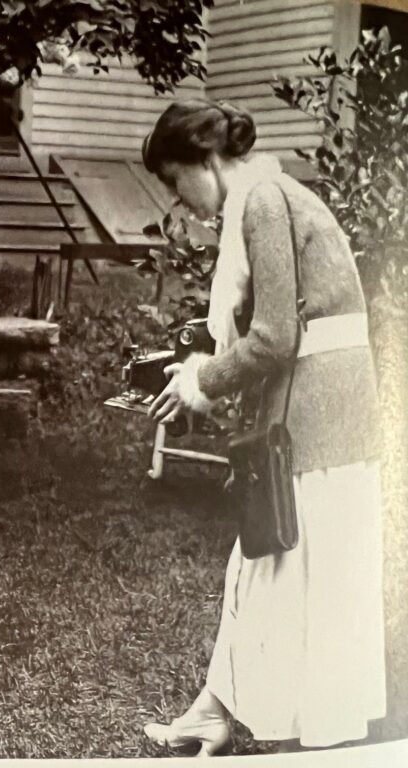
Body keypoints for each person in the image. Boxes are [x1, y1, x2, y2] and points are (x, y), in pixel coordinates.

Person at [140, 100, 386, 754]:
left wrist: (201, 378)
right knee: (259, 559)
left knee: (287, 562)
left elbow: (275, 339)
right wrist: (201, 368)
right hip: (320, 395)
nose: (180, 200)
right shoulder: (266, 194)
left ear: (205, 158)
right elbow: (273, 335)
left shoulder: (262, 202)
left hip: (323, 407)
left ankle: (314, 729)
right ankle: (213, 709)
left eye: (175, 180)